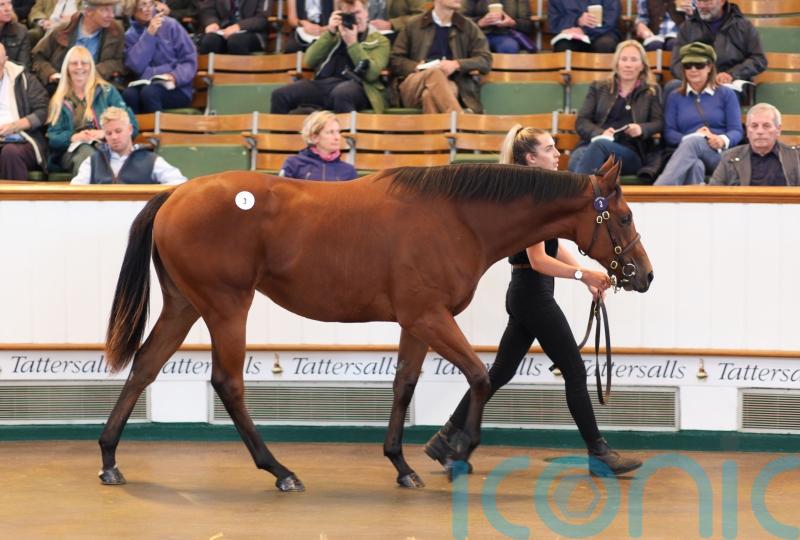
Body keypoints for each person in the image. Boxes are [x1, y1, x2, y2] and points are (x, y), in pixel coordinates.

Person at [424, 124, 642, 477]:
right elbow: (538, 260)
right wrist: (583, 275)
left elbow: (556, 244)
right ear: (530, 157)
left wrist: (583, 272)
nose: (557, 154)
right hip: (532, 294)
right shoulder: (526, 198)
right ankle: (599, 453)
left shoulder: (541, 194)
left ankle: (446, 437)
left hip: (528, 294)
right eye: (550, 148)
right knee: (574, 370)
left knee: (499, 373)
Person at [270, 0, 390, 114]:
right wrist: (330, 32)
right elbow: (309, 61)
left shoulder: (379, 40)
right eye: (348, 15)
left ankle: (343, 135)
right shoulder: (334, 36)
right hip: (325, 83)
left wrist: (352, 43)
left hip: (360, 86)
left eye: (357, 13)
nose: (355, 18)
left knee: (342, 93)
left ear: (366, 13)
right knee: (280, 94)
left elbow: (371, 74)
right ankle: (280, 135)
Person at [569, 39, 663, 180]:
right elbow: (582, 121)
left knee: (599, 146)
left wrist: (641, 129)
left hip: (630, 152)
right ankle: (589, 198)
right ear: (617, 63)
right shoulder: (599, 87)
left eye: (633, 60)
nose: (628, 65)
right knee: (577, 158)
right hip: (595, 144)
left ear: (642, 65)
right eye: (624, 59)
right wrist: (600, 133)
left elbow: (659, 122)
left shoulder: (651, 91)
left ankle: (576, 199)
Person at [655, 42, 742, 185]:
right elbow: (669, 133)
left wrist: (721, 139)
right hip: (685, 154)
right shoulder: (675, 96)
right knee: (695, 166)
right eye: (688, 65)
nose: (693, 69)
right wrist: (694, 137)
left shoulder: (727, 94)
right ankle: (692, 204)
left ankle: (657, 194)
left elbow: (737, 131)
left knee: (693, 143)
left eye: (699, 65)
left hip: (718, 156)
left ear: (709, 67)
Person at [46, 45, 137, 174]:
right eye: (74, 63)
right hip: (72, 151)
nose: (79, 67)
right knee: (86, 155)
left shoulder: (107, 91)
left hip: (106, 145)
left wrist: (105, 134)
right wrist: (73, 137)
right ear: (67, 68)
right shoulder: (58, 99)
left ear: (91, 67)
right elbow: (53, 138)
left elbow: (131, 126)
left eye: (84, 63)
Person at [389, 0, 492, 114]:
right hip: (414, 85)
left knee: (429, 95)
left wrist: (456, 64)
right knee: (434, 73)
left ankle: (445, 129)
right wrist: (417, 67)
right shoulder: (413, 25)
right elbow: (395, 59)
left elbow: (485, 60)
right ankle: (461, 123)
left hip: (452, 83)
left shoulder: (468, 27)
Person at [71, 106, 185, 184]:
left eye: (118, 131)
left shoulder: (151, 160)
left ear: (130, 129)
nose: (114, 137)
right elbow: (76, 190)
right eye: (108, 133)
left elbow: (179, 182)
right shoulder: (92, 162)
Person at [31, 0, 124, 94]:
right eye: (105, 10)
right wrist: (50, 74)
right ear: (88, 11)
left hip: (97, 85)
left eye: (112, 10)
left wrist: (93, 72)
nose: (111, 15)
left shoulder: (115, 31)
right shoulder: (63, 30)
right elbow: (38, 56)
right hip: (61, 85)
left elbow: (118, 61)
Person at [669, 0, 766, 89]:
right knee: (673, 87)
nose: (701, 6)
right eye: (698, 1)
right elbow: (676, 63)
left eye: (707, 1)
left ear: (722, 1)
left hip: (730, 82)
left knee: (724, 93)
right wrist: (694, 76)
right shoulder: (687, 27)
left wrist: (731, 74)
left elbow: (758, 60)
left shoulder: (743, 26)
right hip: (694, 80)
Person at [122, 0, 197, 113]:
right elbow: (136, 66)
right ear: (132, 10)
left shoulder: (170, 25)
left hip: (176, 86)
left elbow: (189, 59)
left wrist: (174, 76)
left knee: (149, 93)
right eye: (142, 5)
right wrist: (149, 35)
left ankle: (157, 130)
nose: (147, 8)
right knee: (129, 94)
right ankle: (135, 130)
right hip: (147, 84)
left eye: (150, 4)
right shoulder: (129, 36)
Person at [710, 103, 800, 187]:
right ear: (747, 131)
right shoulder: (729, 158)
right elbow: (712, 195)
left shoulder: (796, 157)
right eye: (754, 126)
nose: (759, 131)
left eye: (766, 126)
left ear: (778, 130)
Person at [0, 42, 48, 179]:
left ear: (6, 60)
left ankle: (13, 200)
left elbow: (42, 112)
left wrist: (14, 126)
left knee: (10, 152)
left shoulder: (24, 80)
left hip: (23, 139)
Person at [278, 110, 356, 181]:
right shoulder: (293, 164)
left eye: (338, 132)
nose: (337, 137)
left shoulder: (348, 171)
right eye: (330, 132)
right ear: (314, 137)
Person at [195, 0, 269, 55]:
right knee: (209, 40)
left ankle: (240, 75)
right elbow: (207, 10)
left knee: (236, 41)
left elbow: (262, 19)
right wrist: (211, 22)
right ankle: (209, 74)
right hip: (223, 30)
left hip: (251, 32)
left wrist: (239, 26)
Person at [547, 0, 620, 53]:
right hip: (572, 34)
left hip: (603, 32)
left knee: (605, 45)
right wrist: (577, 21)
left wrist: (585, 30)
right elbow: (554, 23)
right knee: (563, 46)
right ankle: (567, 74)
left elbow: (611, 20)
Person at [462, 0, 534, 54]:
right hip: (478, 34)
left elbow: (528, 25)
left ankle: (505, 73)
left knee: (508, 46)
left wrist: (512, 23)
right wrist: (480, 22)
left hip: (506, 35)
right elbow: (461, 19)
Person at [0, 0, 30, 67]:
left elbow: (23, 66)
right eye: (1, 4)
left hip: (11, 75)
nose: (7, 9)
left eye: (9, 3)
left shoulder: (21, 31)